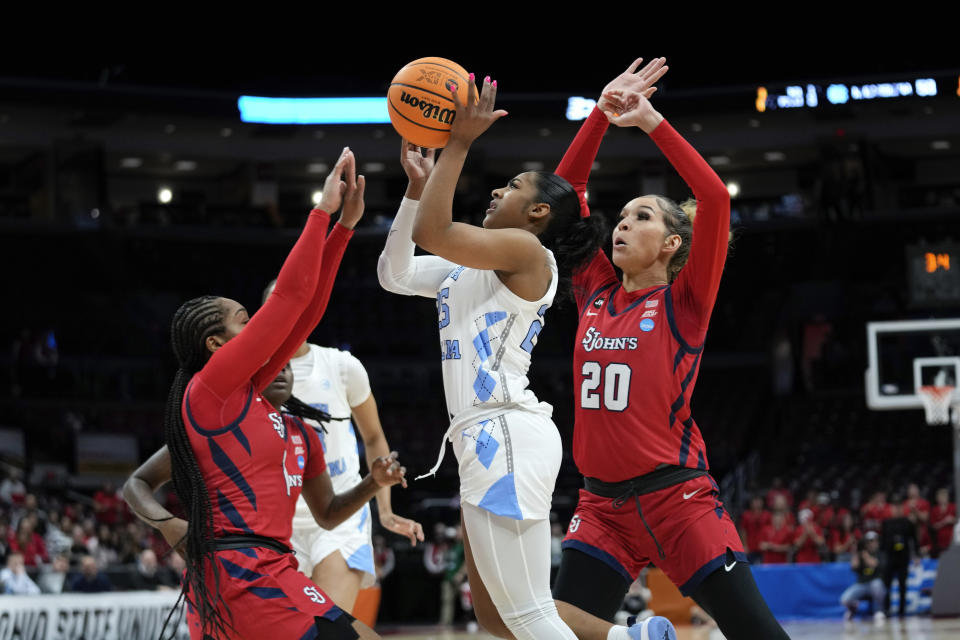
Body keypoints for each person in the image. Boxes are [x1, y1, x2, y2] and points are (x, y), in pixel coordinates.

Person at [378, 70, 671, 640]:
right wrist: (414, 191)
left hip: (502, 433)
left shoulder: (525, 250)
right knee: (500, 614)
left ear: (538, 214)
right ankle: (626, 638)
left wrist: (457, 144)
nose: (496, 190)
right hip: (490, 437)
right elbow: (395, 273)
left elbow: (436, 231)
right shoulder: (468, 268)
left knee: (528, 615)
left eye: (510, 186)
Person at [543, 61, 791, 639]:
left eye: (642, 217)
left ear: (672, 242)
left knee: (759, 635)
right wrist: (599, 118)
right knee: (557, 631)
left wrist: (651, 121)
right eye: (622, 217)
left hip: (677, 501)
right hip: (601, 507)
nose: (621, 225)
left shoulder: (685, 301)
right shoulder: (594, 289)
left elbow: (712, 197)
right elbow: (566, 194)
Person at [124, 149, 404, 640]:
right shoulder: (210, 387)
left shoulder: (250, 390)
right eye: (244, 320)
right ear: (216, 343)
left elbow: (306, 315)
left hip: (270, 567)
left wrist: (343, 231)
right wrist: (321, 212)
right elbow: (289, 299)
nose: (257, 324)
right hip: (240, 573)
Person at [260, 280, 424, 613]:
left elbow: (374, 437)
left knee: (325, 627)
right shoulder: (249, 374)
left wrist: (386, 510)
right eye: (281, 304)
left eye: (299, 303)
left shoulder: (342, 367)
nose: (291, 311)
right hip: (274, 524)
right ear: (265, 313)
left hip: (340, 515)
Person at [880, 501, 917, 617]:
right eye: (895, 507)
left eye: (899, 507)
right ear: (891, 508)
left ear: (902, 508)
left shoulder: (908, 523)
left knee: (902, 584)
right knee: (887, 584)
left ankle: (902, 610)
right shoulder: (886, 523)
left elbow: (914, 540)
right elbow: (882, 542)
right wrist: (882, 557)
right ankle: (886, 609)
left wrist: (916, 555)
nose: (897, 509)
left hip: (903, 558)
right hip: (890, 557)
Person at [839, 531, 885, 625]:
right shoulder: (860, 554)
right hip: (862, 583)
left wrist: (865, 555)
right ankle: (852, 609)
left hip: (874, 582)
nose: (872, 543)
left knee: (878, 586)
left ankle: (878, 611)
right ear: (866, 543)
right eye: (870, 541)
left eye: (874, 541)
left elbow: (874, 564)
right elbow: (854, 566)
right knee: (844, 599)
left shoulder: (880, 554)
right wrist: (855, 552)